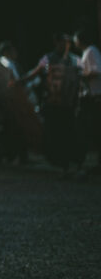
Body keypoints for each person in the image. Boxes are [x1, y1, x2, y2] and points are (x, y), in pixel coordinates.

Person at [21, 33, 83, 176]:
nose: (65, 45)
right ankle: (60, 163)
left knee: (68, 131)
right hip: (52, 101)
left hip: (68, 103)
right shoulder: (48, 59)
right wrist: (21, 82)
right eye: (62, 42)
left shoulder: (75, 60)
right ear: (56, 43)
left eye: (67, 43)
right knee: (55, 132)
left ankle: (69, 162)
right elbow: (36, 72)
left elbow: (81, 77)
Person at [74, 28, 101, 173]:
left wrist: (82, 76)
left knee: (95, 128)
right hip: (89, 95)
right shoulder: (86, 52)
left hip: (95, 95)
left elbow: (96, 70)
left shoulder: (91, 51)